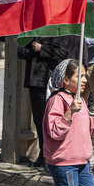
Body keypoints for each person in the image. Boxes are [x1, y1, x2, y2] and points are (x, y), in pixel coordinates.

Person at [18, 36, 67, 168]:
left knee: (49, 121)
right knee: (38, 120)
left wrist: (42, 49)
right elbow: (20, 52)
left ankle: (51, 155)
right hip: (34, 83)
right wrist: (33, 50)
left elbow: (62, 52)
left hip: (48, 83)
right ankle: (43, 154)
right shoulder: (30, 34)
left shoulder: (53, 33)